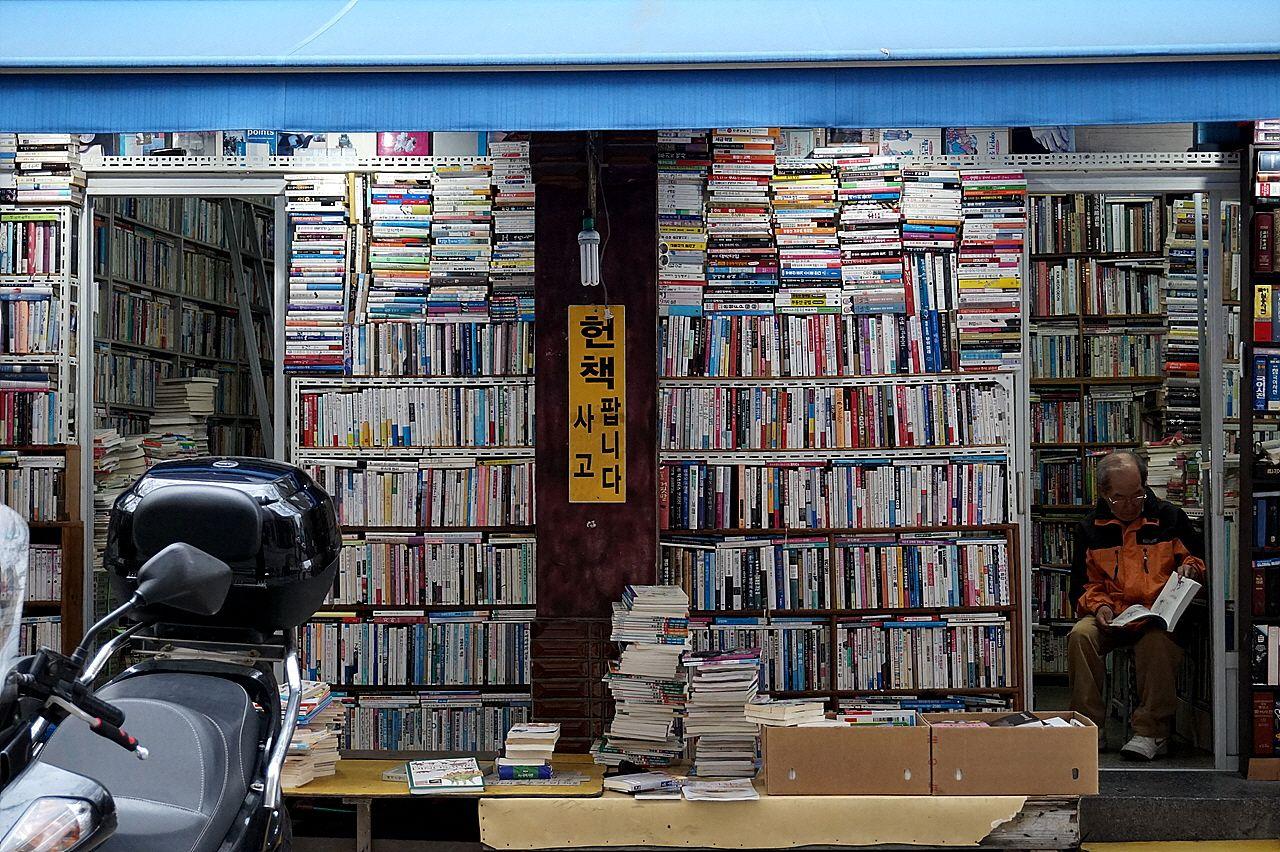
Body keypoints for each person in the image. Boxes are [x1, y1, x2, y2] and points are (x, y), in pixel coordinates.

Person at [1067, 451, 1206, 761]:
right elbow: (1081, 586)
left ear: (1145, 486)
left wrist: (1192, 568)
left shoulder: (1169, 518)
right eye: (1119, 498)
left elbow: (1196, 558)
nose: (1130, 504)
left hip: (1157, 615)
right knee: (1080, 636)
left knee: (1157, 642)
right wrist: (1100, 606)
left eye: (1137, 495)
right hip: (1111, 614)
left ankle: (1151, 732)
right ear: (1104, 493)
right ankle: (1089, 727)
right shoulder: (1090, 528)